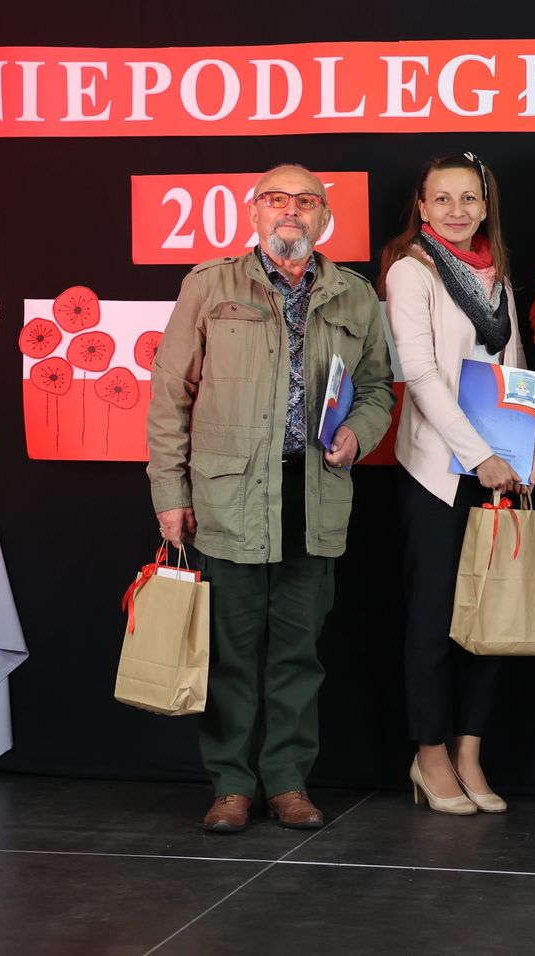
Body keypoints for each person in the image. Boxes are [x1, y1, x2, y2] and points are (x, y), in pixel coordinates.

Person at [147, 164, 395, 833]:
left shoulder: (354, 296)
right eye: (277, 199)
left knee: (297, 655)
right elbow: (171, 393)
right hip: (228, 498)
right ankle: (231, 784)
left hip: (314, 496)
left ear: (325, 217)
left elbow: (377, 389)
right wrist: (169, 491)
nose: (292, 211)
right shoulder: (209, 285)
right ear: (254, 212)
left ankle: (286, 781)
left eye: (306, 201)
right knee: (229, 654)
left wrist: (359, 433)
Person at [382, 152, 534, 816]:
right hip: (438, 472)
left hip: (500, 469)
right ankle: (429, 754)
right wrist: (480, 456)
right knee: (435, 617)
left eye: (469, 198)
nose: (456, 210)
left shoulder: (497, 275)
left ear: (485, 206)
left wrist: (522, 452)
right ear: (421, 206)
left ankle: (470, 750)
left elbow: (514, 368)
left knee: (490, 616)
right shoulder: (411, 271)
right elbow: (420, 375)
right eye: (442, 199)